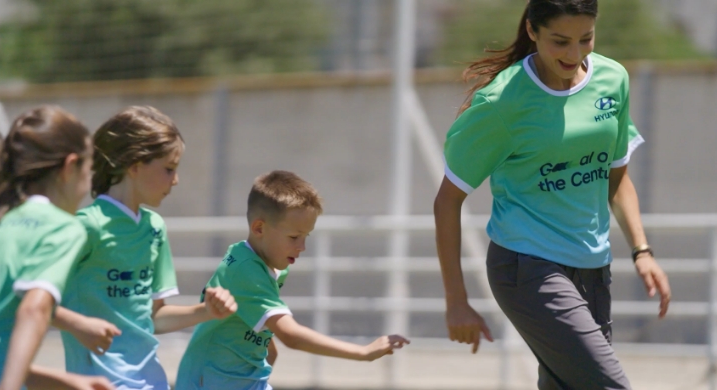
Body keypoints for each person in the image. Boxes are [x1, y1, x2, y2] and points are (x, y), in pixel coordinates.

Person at [434, 1, 671, 389]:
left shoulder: (613, 79)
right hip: (528, 267)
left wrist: (641, 251)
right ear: (532, 31)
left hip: (594, 266)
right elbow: (447, 200)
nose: (574, 54)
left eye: (586, 39)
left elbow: (615, 177)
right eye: (560, 41)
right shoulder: (502, 102)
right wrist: (456, 300)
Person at [55, 106, 237, 389]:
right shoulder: (85, 227)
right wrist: (79, 325)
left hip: (152, 381)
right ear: (134, 165)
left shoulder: (155, 227)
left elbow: (154, 317)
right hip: (98, 382)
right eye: (169, 169)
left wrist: (207, 311)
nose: (175, 180)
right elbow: (33, 302)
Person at [175, 170, 410, 390]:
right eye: (294, 237)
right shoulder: (245, 270)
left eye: (306, 236)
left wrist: (266, 346)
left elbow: (251, 314)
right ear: (259, 228)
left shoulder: (267, 264)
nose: (302, 246)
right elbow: (292, 336)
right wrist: (363, 352)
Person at [0, 108, 113, 390]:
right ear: (70, 167)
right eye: (89, 171)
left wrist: (66, 381)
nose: (87, 185)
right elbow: (34, 310)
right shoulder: (61, 228)